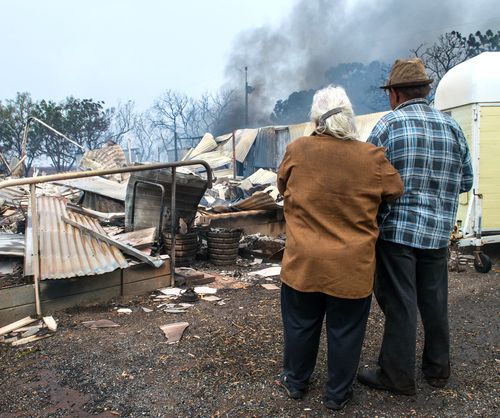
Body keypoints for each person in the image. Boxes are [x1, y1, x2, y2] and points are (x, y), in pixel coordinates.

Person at [276, 85, 403, 411]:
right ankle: (337, 394)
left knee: (301, 325)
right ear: (349, 118)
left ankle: (296, 382)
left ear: (316, 119)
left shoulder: (298, 149)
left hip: (304, 264)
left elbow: (282, 183)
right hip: (352, 268)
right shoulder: (371, 157)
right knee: (346, 331)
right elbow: (395, 188)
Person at [357, 58, 473, 395]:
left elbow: (366, 182)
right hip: (437, 234)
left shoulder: (387, 127)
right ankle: (438, 369)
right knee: (434, 301)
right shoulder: (451, 127)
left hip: (396, 233)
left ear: (394, 93)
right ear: (425, 90)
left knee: (400, 302)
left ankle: (397, 375)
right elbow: (466, 181)